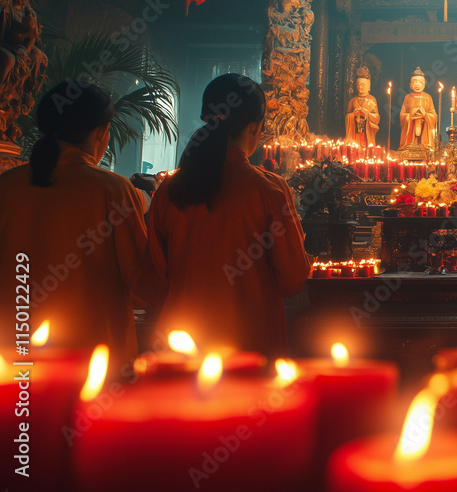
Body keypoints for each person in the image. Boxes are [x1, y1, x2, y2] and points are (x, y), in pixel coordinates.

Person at [140, 74, 309, 356]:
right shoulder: (269, 189)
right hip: (250, 344)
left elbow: (152, 281)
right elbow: (293, 280)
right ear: (256, 127)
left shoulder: (171, 188)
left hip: (181, 344)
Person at [0, 81, 147, 367]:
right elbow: (141, 283)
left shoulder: (7, 185)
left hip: (15, 353)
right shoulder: (113, 190)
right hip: (94, 357)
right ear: (101, 132)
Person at [398, 67, 438, 150]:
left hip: (424, 128)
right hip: (411, 128)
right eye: (414, 82)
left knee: (424, 147)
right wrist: (410, 115)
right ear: (410, 85)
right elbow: (402, 115)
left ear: (424, 83)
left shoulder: (428, 97)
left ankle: (425, 147)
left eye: (420, 82)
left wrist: (425, 115)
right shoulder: (407, 97)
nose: (417, 84)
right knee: (410, 146)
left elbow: (434, 116)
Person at [345, 66, 379, 147]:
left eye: (363, 85)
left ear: (368, 86)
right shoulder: (353, 101)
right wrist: (354, 114)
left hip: (366, 132)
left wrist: (367, 114)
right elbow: (347, 116)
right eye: (359, 85)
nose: (361, 87)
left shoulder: (372, 100)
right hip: (355, 132)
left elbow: (377, 118)